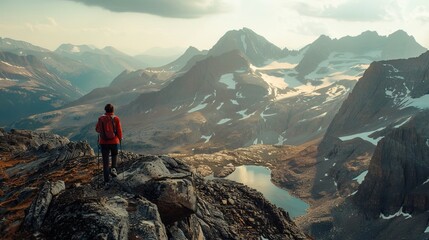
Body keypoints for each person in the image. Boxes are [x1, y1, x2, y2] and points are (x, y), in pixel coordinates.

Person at [96, 103, 123, 186]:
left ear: (105, 110)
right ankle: (113, 169)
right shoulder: (116, 118)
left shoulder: (101, 118)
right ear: (113, 110)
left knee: (105, 162)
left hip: (103, 143)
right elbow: (119, 131)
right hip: (114, 142)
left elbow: (97, 129)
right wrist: (120, 138)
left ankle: (106, 181)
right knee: (114, 155)